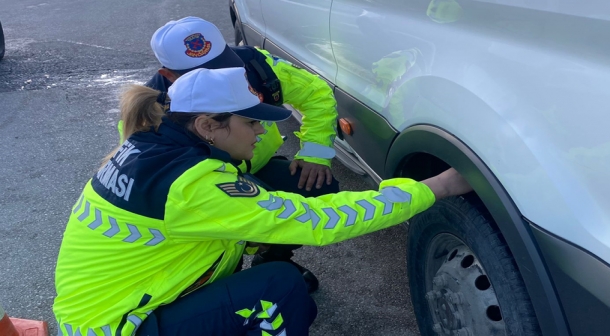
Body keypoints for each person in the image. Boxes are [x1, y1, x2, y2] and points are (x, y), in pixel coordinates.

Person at [53, 67, 472, 336]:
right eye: (250, 121)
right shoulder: (191, 184)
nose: (260, 132)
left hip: (108, 310)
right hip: (119, 327)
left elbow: (207, 230)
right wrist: (435, 187)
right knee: (279, 286)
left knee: (267, 264)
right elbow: (321, 222)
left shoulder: (154, 146)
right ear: (208, 126)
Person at [135, 17, 340, 290]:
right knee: (224, 235)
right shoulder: (149, 110)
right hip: (202, 188)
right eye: (203, 73)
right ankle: (219, 281)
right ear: (168, 76)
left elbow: (316, 94)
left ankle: (273, 257)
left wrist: (314, 154)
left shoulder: (258, 67)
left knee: (315, 186)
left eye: (223, 66)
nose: (222, 78)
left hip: (255, 168)